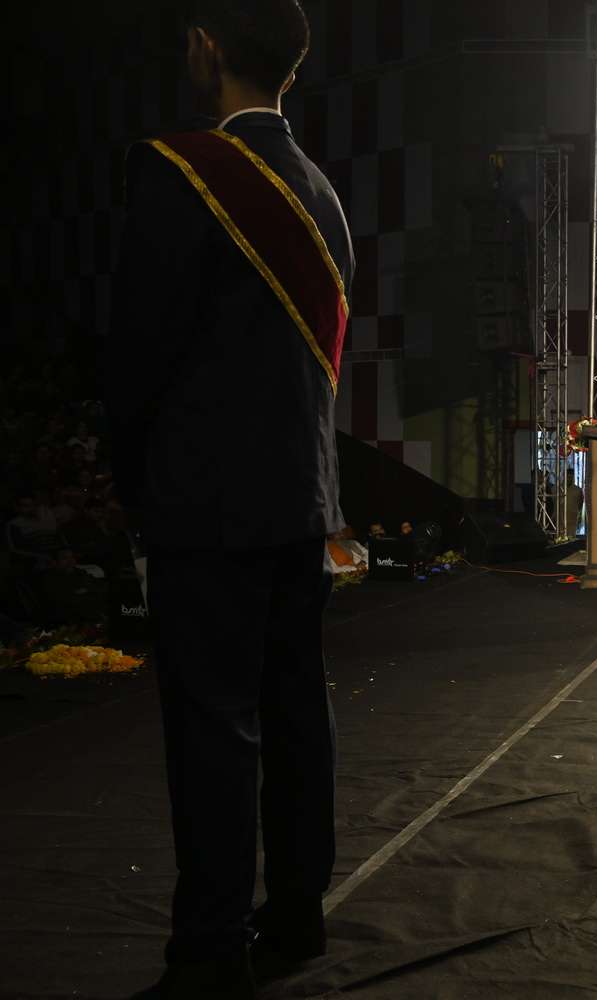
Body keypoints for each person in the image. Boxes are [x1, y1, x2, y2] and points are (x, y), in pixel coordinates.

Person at [107, 3, 353, 996]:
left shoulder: (181, 170)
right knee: (296, 714)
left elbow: (139, 352)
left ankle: (210, 950)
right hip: (304, 499)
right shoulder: (325, 196)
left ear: (206, 47)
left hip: (206, 503)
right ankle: (296, 913)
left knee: (213, 727)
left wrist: (132, 483)